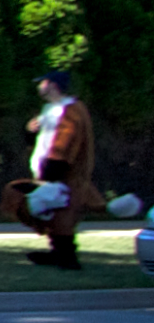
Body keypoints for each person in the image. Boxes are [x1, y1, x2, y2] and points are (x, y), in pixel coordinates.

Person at [24, 68, 97, 268]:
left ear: (52, 85)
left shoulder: (72, 110)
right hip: (49, 169)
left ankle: (67, 258)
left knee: (63, 216)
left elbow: (66, 143)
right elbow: (44, 140)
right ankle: (57, 253)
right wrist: (31, 132)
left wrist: (52, 171)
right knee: (54, 216)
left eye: (43, 82)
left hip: (65, 173)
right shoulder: (49, 108)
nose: (39, 87)